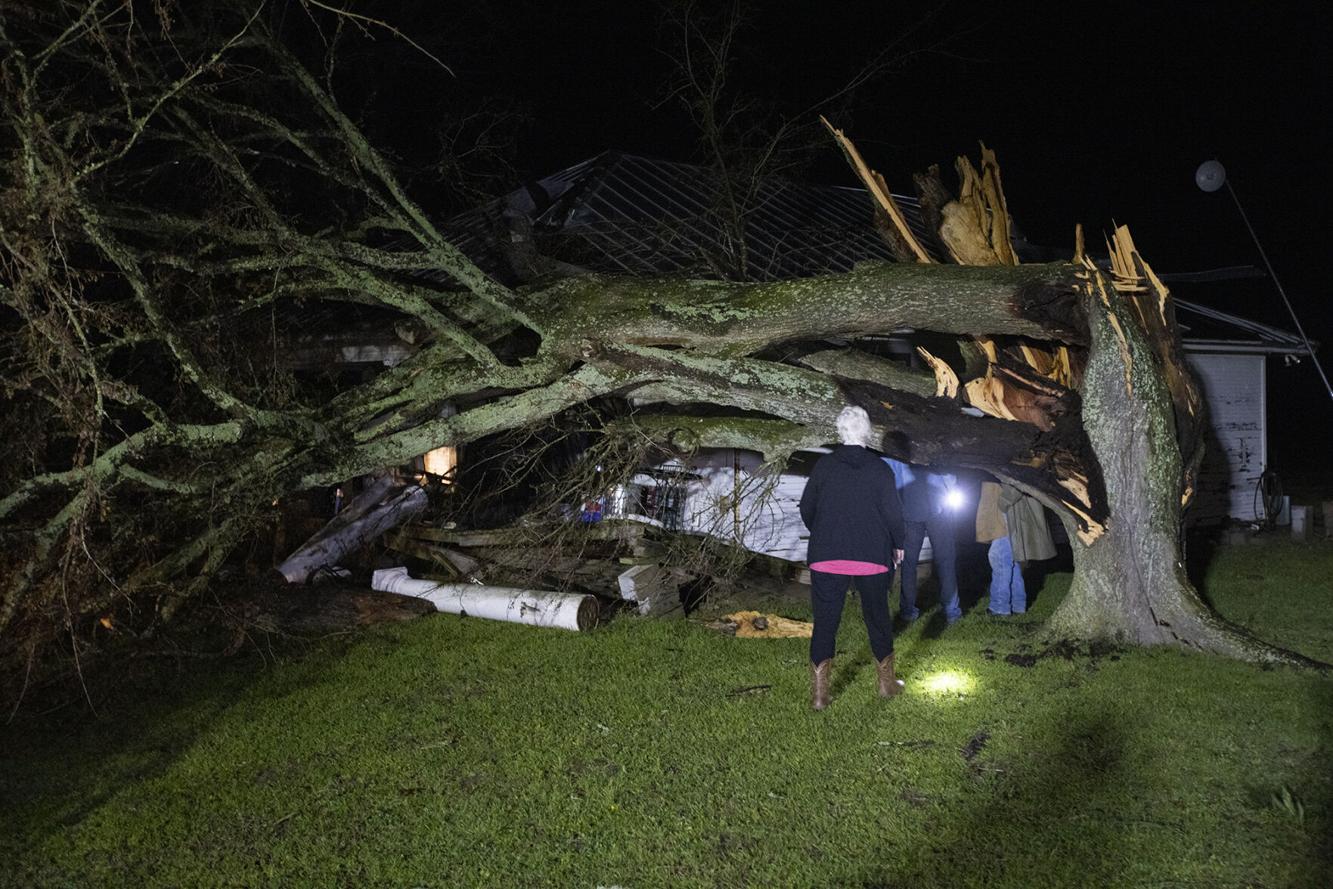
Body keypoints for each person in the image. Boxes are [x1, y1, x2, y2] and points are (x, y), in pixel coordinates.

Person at [798, 406, 906, 711]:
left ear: (839, 432)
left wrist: (823, 533)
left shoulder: (824, 466)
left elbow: (807, 507)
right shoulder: (879, 469)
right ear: (867, 432)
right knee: (878, 618)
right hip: (871, 556)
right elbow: (894, 515)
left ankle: (820, 696)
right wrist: (898, 544)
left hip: (826, 555)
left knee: (825, 623)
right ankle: (886, 685)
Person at [882, 456, 961, 624]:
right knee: (946, 561)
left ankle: (908, 610)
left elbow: (892, 472)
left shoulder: (902, 453)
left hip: (911, 511)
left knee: (909, 563)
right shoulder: (933, 447)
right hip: (938, 510)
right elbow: (951, 478)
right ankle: (951, 611)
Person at [975, 480, 1056, 615]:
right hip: (1006, 507)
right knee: (1010, 561)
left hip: (1007, 511)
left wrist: (1004, 500)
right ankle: (1017, 605)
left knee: (1000, 558)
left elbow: (1019, 479)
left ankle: (1000, 607)